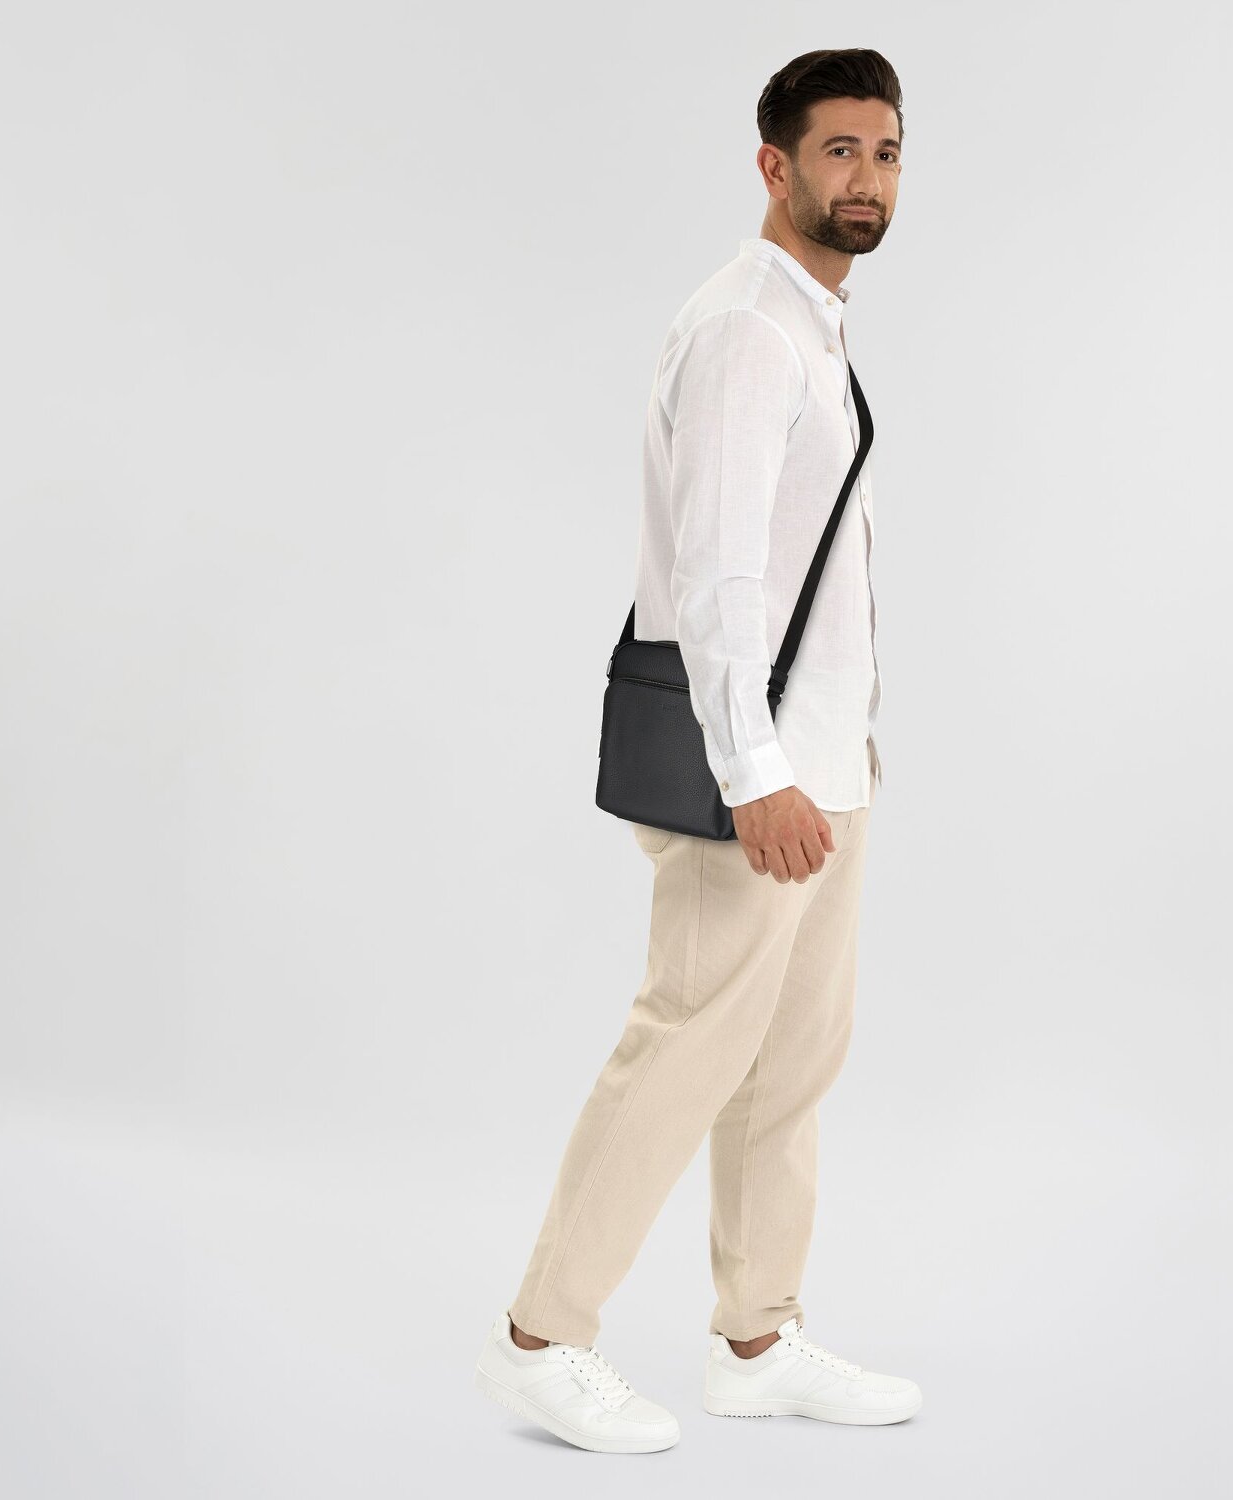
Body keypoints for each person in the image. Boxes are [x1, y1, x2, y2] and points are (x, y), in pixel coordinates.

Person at [476, 48, 920, 1454]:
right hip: (762, 776)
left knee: (790, 1071)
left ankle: (758, 1338)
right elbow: (719, 575)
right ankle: (542, 1339)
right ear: (774, 166)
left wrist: (828, 758)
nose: (867, 177)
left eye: (886, 152)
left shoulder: (812, 325)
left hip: (826, 763)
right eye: (838, 151)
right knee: (682, 1051)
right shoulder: (746, 332)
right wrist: (756, 774)